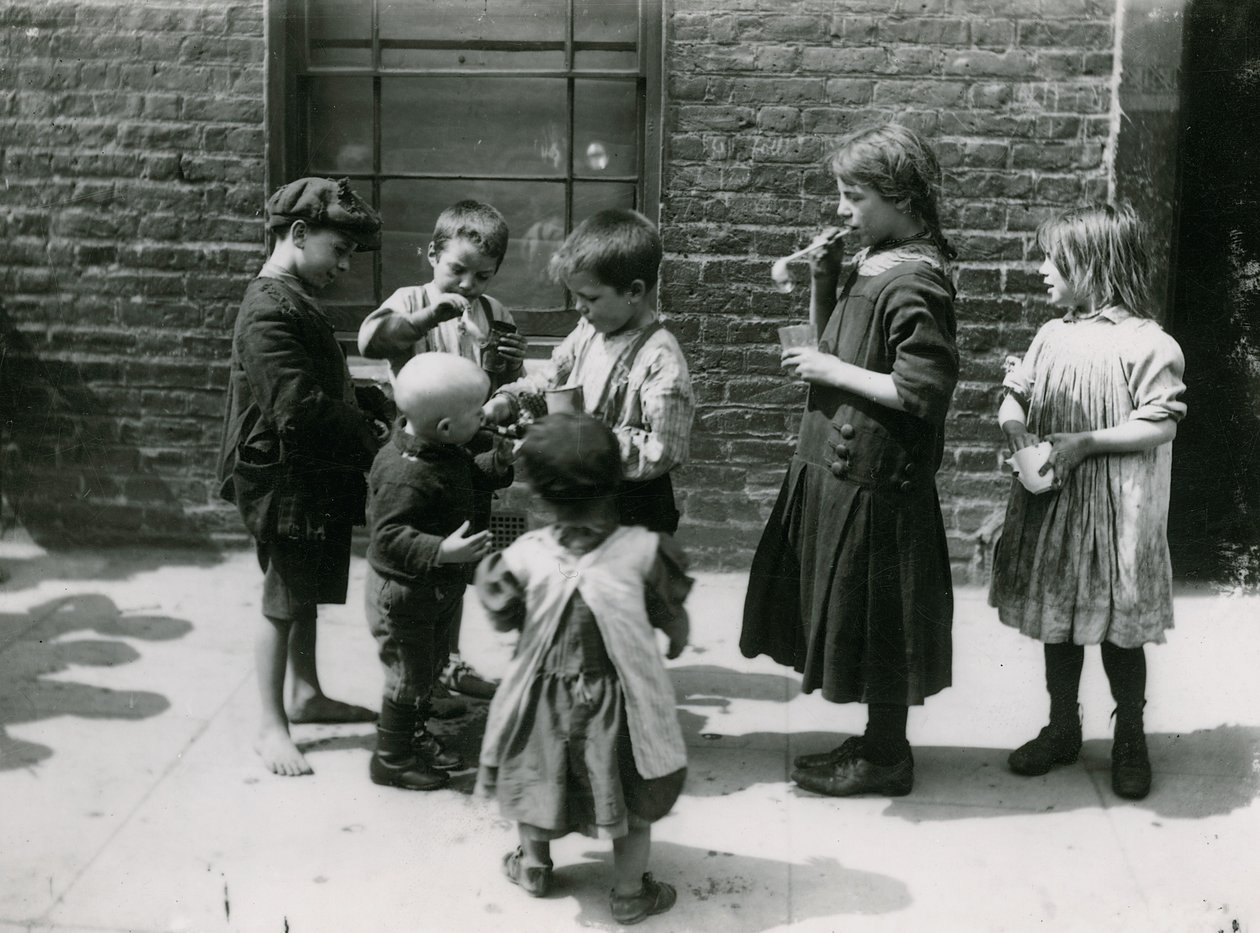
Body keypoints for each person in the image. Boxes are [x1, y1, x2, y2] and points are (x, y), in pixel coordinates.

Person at [739, 123, 960, 798]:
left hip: (876, 478)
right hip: (842, 463)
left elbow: (921, 390)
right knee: (859, 612)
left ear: (900, 195)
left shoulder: (916, 279)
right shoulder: (877, 257)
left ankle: (887, 755)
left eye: (853, 194)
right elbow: (833, 334)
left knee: (881, 614)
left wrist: (829, 366)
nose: (842, 208)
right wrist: (822, 277)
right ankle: (875, 740)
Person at [989, 203, 1187, 801]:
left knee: (1118, 631)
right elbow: (1017, 390)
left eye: (1055, 260)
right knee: (1061, 622)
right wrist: (1013, 420)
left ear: (1094, 266)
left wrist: (1087, 441)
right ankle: (1062, 726)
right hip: (1057, 503)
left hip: (1114, 512)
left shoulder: (1146, 343)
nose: (1043, 270)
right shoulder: (1053, 334)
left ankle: (1130, 733)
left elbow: (1161, 423)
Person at [475, 412, 689, 925]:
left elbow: (503, 616)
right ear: (616, 482)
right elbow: (670, 613)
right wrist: (676, 635)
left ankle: (533, 865)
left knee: (536, 781)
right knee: (632, 800)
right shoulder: (643, 552)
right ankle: (630, 893)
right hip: (619, 704)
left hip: (542, 702)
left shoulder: (524, 555)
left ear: (539, 496)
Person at [217, 177, 387, 777]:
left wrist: (370, 399)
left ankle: (307, 693)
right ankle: (269, 724)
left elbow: (318, 385)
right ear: (297, 234)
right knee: (283, 597)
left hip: (306, 468)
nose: (344, 265)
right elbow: (297, 406)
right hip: (282, 474)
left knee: (304, 583)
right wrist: (373, 440)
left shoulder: (293, 298)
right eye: (338, 251)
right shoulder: (268, 307)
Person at [358, 199, 529, 701]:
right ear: (432, 253)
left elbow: (502, 384)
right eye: (458, 269)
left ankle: (445, 662)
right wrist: (426, 316)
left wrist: (508, 372)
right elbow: (371, 339)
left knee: (454, 562)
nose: (469, 285)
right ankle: (415, 677)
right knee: (419, 559)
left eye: (483, 275)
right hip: (418, 460)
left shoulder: (494, 312)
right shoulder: (410, 299)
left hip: (468, 454)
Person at [482, 208, 694, 535]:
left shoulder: (660, 357)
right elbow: (549, 379)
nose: (580, 307)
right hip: (581, 499)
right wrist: (507, 403)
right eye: (576, 296)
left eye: (590, 297)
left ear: (634, 292)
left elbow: (666, 450)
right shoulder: (589, 330)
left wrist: (586, 444)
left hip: (633, 508)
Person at [363, 353, 514, 791]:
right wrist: (441, 549)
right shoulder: (402, 474)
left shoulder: (444, 448)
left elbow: (470, 477)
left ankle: (413, 735)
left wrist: (498, 464)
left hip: (433, 588)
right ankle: (390, 759)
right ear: (446, 427)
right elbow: (387, 536)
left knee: (427, 669)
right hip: (404, 592)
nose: (485, 421)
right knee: (407, 676)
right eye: (477, 414)